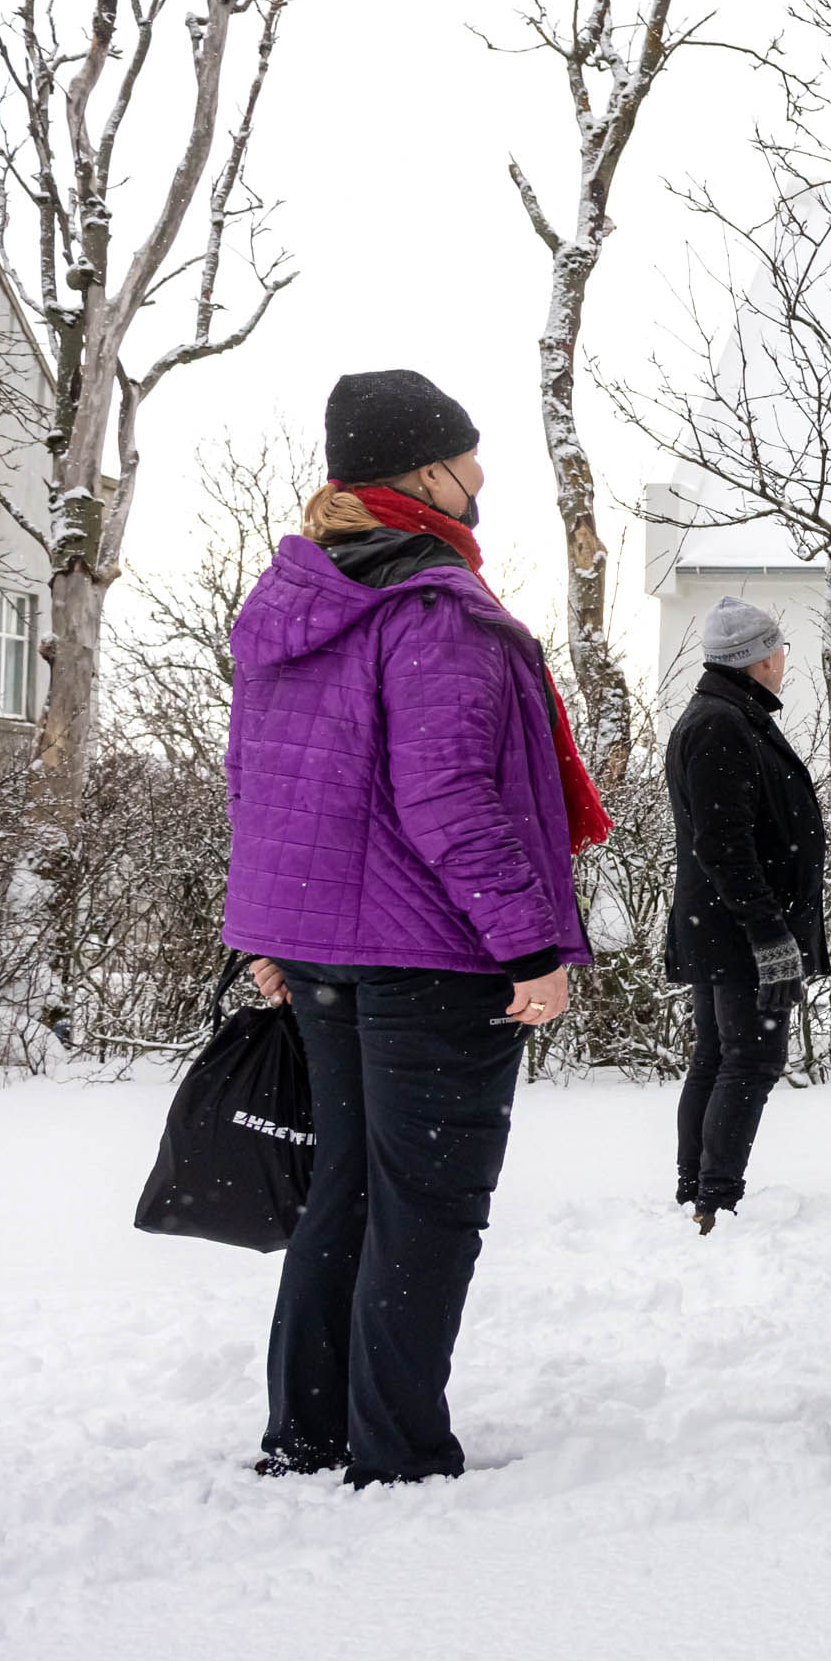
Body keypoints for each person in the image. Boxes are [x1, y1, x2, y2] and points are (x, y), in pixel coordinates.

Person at [226, 369, 609, 1485]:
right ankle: (396, 1452)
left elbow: (260, 781)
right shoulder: (434, 607)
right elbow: (448, 794)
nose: (482, 472)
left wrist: (269, 927)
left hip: (327, 944)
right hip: (433, 951)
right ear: (428, 471)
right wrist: (530, 944)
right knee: (427, 1208)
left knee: (345, 1187)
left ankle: (308, 1431)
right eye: (468, 451)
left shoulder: (293, 598)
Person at [661, 595, 824, 1233]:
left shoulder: (730, 716)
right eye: (778, 648)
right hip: (738, 929)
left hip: (723, 926)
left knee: (717, 1056)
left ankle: (697, 1190)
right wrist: (767, 931)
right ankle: (715, 1200)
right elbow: (723, 842)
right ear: (758, 659)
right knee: (749, 1060)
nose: (784, 659)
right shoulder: (721, 724)